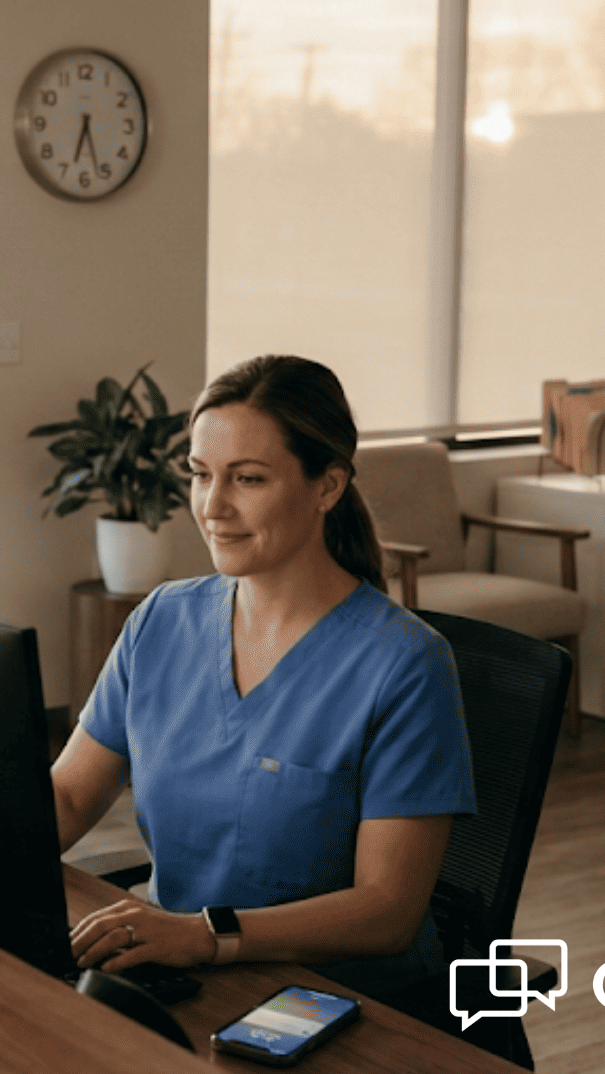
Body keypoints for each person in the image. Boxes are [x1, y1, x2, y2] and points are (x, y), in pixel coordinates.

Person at [51, 354, 477, 1004]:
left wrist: (203, 934)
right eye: (199, 475)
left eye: (247, 478)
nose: (212, 506)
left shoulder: (406, 664)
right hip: (179, 972)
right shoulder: (161, 619)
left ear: (327, 486)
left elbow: (388, 910)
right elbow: (71, 798)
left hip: (338, 1002)